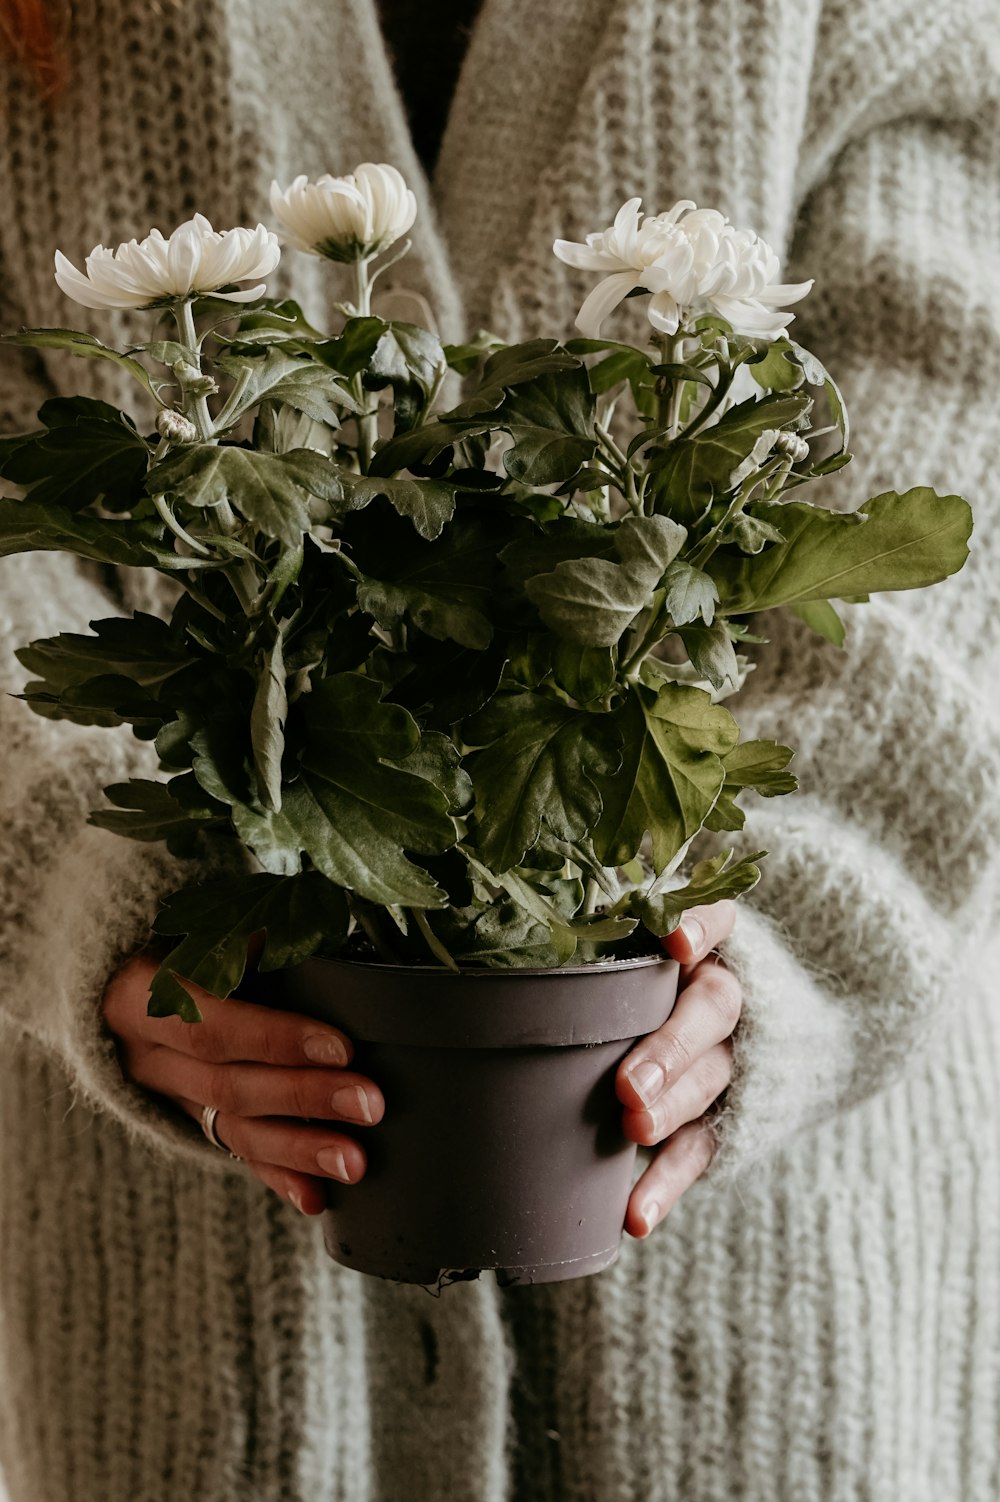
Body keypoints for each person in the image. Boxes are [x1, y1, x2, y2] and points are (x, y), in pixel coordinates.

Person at [0, 2, 997, 1499]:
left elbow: (957, 438)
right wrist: (90, 893)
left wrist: (789, 929)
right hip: (205, 1325)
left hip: (769, 1306)